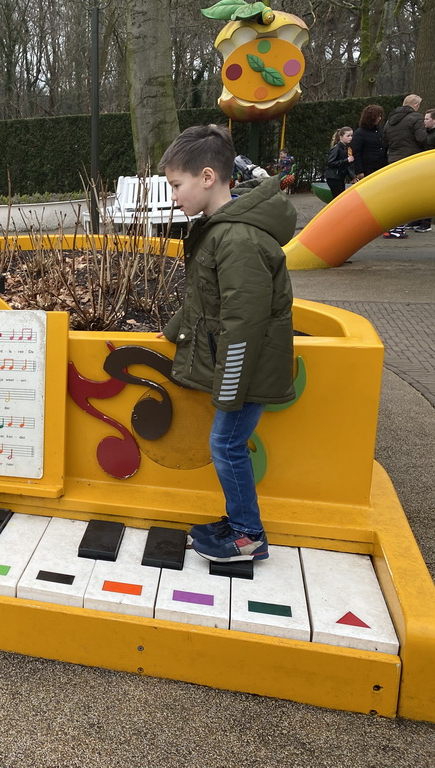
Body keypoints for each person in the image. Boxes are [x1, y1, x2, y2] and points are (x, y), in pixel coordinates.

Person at [158, 125, 296, 563]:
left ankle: (247, 535)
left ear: (206, 177)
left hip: (246, 372)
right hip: (239, 369)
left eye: (176, 185)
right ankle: (239, 522)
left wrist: (230, 387)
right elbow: (205, 299)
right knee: (226, 445)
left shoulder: (237, 238)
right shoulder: (222, 229)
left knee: (226, 445)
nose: (174, 196)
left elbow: (243, 322)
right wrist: (170, 331)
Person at [383, 94, 426, 239]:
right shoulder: (416, 118)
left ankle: (391, 226)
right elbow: (421, 138)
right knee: (407, 196)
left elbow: (385, 140)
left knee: (396, 194)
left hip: (393, 159)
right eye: (418, 105)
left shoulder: (390, 120)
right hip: (410, 160)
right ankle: (398, 229)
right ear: (415, 105)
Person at [411, 108, 435, 233]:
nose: (424, 121)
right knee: (418, 196)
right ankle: (417, 219)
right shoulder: (427, 132)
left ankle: (426, 222)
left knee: (428, 197)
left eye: (427, 119)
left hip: (432, 171)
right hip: (424, 168)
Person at [351, 104, 387, 179]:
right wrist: (359, 171)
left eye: (380, 116)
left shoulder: (381, 130)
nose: (380, 119)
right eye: (377, 116)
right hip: (368, 169)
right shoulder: (359, 133)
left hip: (382, 167)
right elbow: (356, 153)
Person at [324, 126, 356, 200]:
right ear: (341, 137)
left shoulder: (344, 148)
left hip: (339, 177)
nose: (350, 138)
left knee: (340, 198)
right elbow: (330, 163)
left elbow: (345, 166)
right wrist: (346, 160)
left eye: (351, 136)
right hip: (334, 177)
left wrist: (353, 176)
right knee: (339, 198)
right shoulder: (337, 148)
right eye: (348, 136)